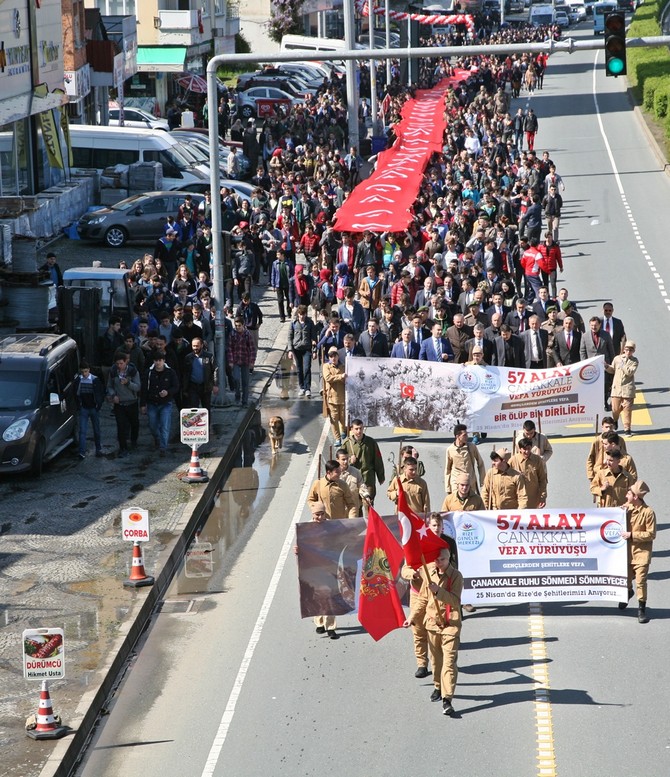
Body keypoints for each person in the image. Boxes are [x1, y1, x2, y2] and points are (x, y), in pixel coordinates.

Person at [416, 546, 463, 717]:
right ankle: (438, 685)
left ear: (448, 558)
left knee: (449, 663)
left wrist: (439, 591)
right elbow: (422, 599)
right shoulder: (429, 575)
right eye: (436, 560)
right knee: (436, 661)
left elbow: (455, 600)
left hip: (450, 625)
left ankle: (447, 699)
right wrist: (412, 617)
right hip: (433, 624)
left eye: (442, 560)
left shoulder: (456, 576)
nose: (439, 563)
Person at [620, 481, 656, 624]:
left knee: (641, 581)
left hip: (641, 553)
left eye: (629, 493)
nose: (626, 495)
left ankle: (641, 609)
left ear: (635, 497)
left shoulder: (648, 512)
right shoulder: (626, 508)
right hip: (627, 553)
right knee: (626, 579)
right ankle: (628, 591)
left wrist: (632, 535)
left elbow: (651, 534)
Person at [307, 500, 341, 640]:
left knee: (330, 596)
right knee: (318, 595)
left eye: (322, 514)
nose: (319, 517)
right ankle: (319, 622)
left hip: (329, 565)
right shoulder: (306, 527)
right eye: (317, 515)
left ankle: (331, 627)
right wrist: (297, 550)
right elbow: (301, 545)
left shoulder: (332, 527)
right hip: (314, 566)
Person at [140, 351, 180, 457]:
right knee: (152, 425)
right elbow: (144, 389)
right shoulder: (148, 372)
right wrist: (142, 404)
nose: (158, 363)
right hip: (152, 403)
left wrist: (168, 392)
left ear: (163, 361)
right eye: (156, 361)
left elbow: (176, 386)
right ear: (154, 361)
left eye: (160, 361)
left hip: (165, 403)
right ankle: (157, 438)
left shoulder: (170, 372)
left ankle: (163, 447)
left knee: (165, 425)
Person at [340, 419, 385, 504]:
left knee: (368, 503)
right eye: (356, 429)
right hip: (353, 479)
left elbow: (377, 460)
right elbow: (340, 461)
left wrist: (381, 476)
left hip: (368, 478)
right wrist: (349, 460)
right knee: (356, 506)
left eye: (360, 428)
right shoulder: (347, 444)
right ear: (352, 429)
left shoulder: (371, 442)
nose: (359, 431)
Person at [107, 351, 141, 458]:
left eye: (121, 363)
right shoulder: (113, 371)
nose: (119, 366)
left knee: (134, 423)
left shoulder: (133, 371)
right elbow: (109, 386)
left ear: (126, 362)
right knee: (121, 426)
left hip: (132, 402)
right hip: (120, 403)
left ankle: (134, 440)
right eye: (117, 364)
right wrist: (113, 395)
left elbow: (138, 387)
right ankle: (123, 448)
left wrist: (128, 383)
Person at [74, 360, 105, 460]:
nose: (84, 374)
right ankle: (82, 452)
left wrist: (98, 405)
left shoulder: (95, 380)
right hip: (84, 408)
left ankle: (98, 449)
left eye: (86, 371)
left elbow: (101, 393)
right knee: (82, 431)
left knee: (96, 430)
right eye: (83, 372)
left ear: (89, 370)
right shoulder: (79, 380)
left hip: (93, 408)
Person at [444, 424, 486, 495]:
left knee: (471, 504)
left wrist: (483, 481)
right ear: (457, 436)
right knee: (457, 504)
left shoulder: (472, 447)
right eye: (464, 435)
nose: (467, 437)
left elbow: (480, 463)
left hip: (470, 482)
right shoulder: (450, 450)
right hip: (456, 483)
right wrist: (448, 487)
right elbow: (448, 469)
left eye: (467, 434)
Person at [609, 341, 638, 437]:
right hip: (616, 388)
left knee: (627, 409)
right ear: (623, 349)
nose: (628, 351)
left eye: (630, 350)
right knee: (615, 409)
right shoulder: (617, 358)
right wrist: (605, 366)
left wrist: (622, 365)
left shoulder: (634, 361)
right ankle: (615, 420)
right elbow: (612, 369)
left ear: (633, 351)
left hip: (627, 389)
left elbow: (629, 372)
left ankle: (627, 429)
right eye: (627, 349)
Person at [182, 337, 219, 411]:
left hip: (205, 386)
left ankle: (207, 422)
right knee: (194, 408)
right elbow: (185, 374)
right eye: (193, 346)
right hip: (193, 386)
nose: (195, 348)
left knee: (206, 408)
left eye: (197, 346)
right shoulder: (188, 357)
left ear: (201, 345)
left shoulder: (209, 356)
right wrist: (184, 388)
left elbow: (215, 370)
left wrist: (215, 384)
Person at [509, 438, 547, 508]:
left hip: (533, 499)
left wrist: (543, 497)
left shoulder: (537, 460)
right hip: (517, 499)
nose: (527, 451)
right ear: (520, 449)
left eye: (529, 449)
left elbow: (542, 479)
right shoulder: (513, 460)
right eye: (524, 449)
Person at [586, 416, 627, 481]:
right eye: (606, 427)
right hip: (599, 472)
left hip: (615, 472)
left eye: (610, 427)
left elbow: (625, 457)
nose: (608, 429)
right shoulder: (597, 441)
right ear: (602, 427)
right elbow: (591, 458)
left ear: (613, 427)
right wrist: (590, 475)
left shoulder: (620, 440)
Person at [227, 317, 256, 407]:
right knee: (236, 378)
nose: (238, 327)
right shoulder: (232, 334)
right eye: (236, 326)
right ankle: (237, 395)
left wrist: (252, 361)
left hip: (245, 360)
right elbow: (229, 348)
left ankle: (245, 401)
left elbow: (252, 349)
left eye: (239, 326)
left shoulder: (247, 334)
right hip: (235, 360)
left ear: (243, 325)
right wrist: (231, 361)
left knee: (245, 382)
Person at [289, 305, 317, 397]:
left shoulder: (310, 323)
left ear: (306, 314)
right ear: (298, 314)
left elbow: (314, 337)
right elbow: (290, 337)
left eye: (303, 314)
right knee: (299, 369)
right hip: (297, 349)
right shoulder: (293, 323)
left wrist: (314, 351)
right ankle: (301, 387)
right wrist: (290, 350)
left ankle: (307, 388)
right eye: (300, 314)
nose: (302, 316)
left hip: (307, 348)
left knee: (307, 368)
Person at [322, 348, 347, 445]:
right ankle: (337, 438)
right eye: (331, 356)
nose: (333, 358)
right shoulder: (326, 366)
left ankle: (344, 430)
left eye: (335, 356)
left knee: (343, 417)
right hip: (331, 397)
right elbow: (328, 378)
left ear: (338, 356)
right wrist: (340, 377)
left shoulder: (343, 366)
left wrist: (343, 378)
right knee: (334, 419)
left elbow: (347, 379)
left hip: (343, 396)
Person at [335, 448, 369, 516]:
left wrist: (366, 495)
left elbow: (361, 485)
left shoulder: (356, 472)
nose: (346, 461)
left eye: (347, 459)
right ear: (337, 460)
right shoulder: (334, 474)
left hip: (353, 507)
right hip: (339, 509)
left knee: (353, 525)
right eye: (343, 459)